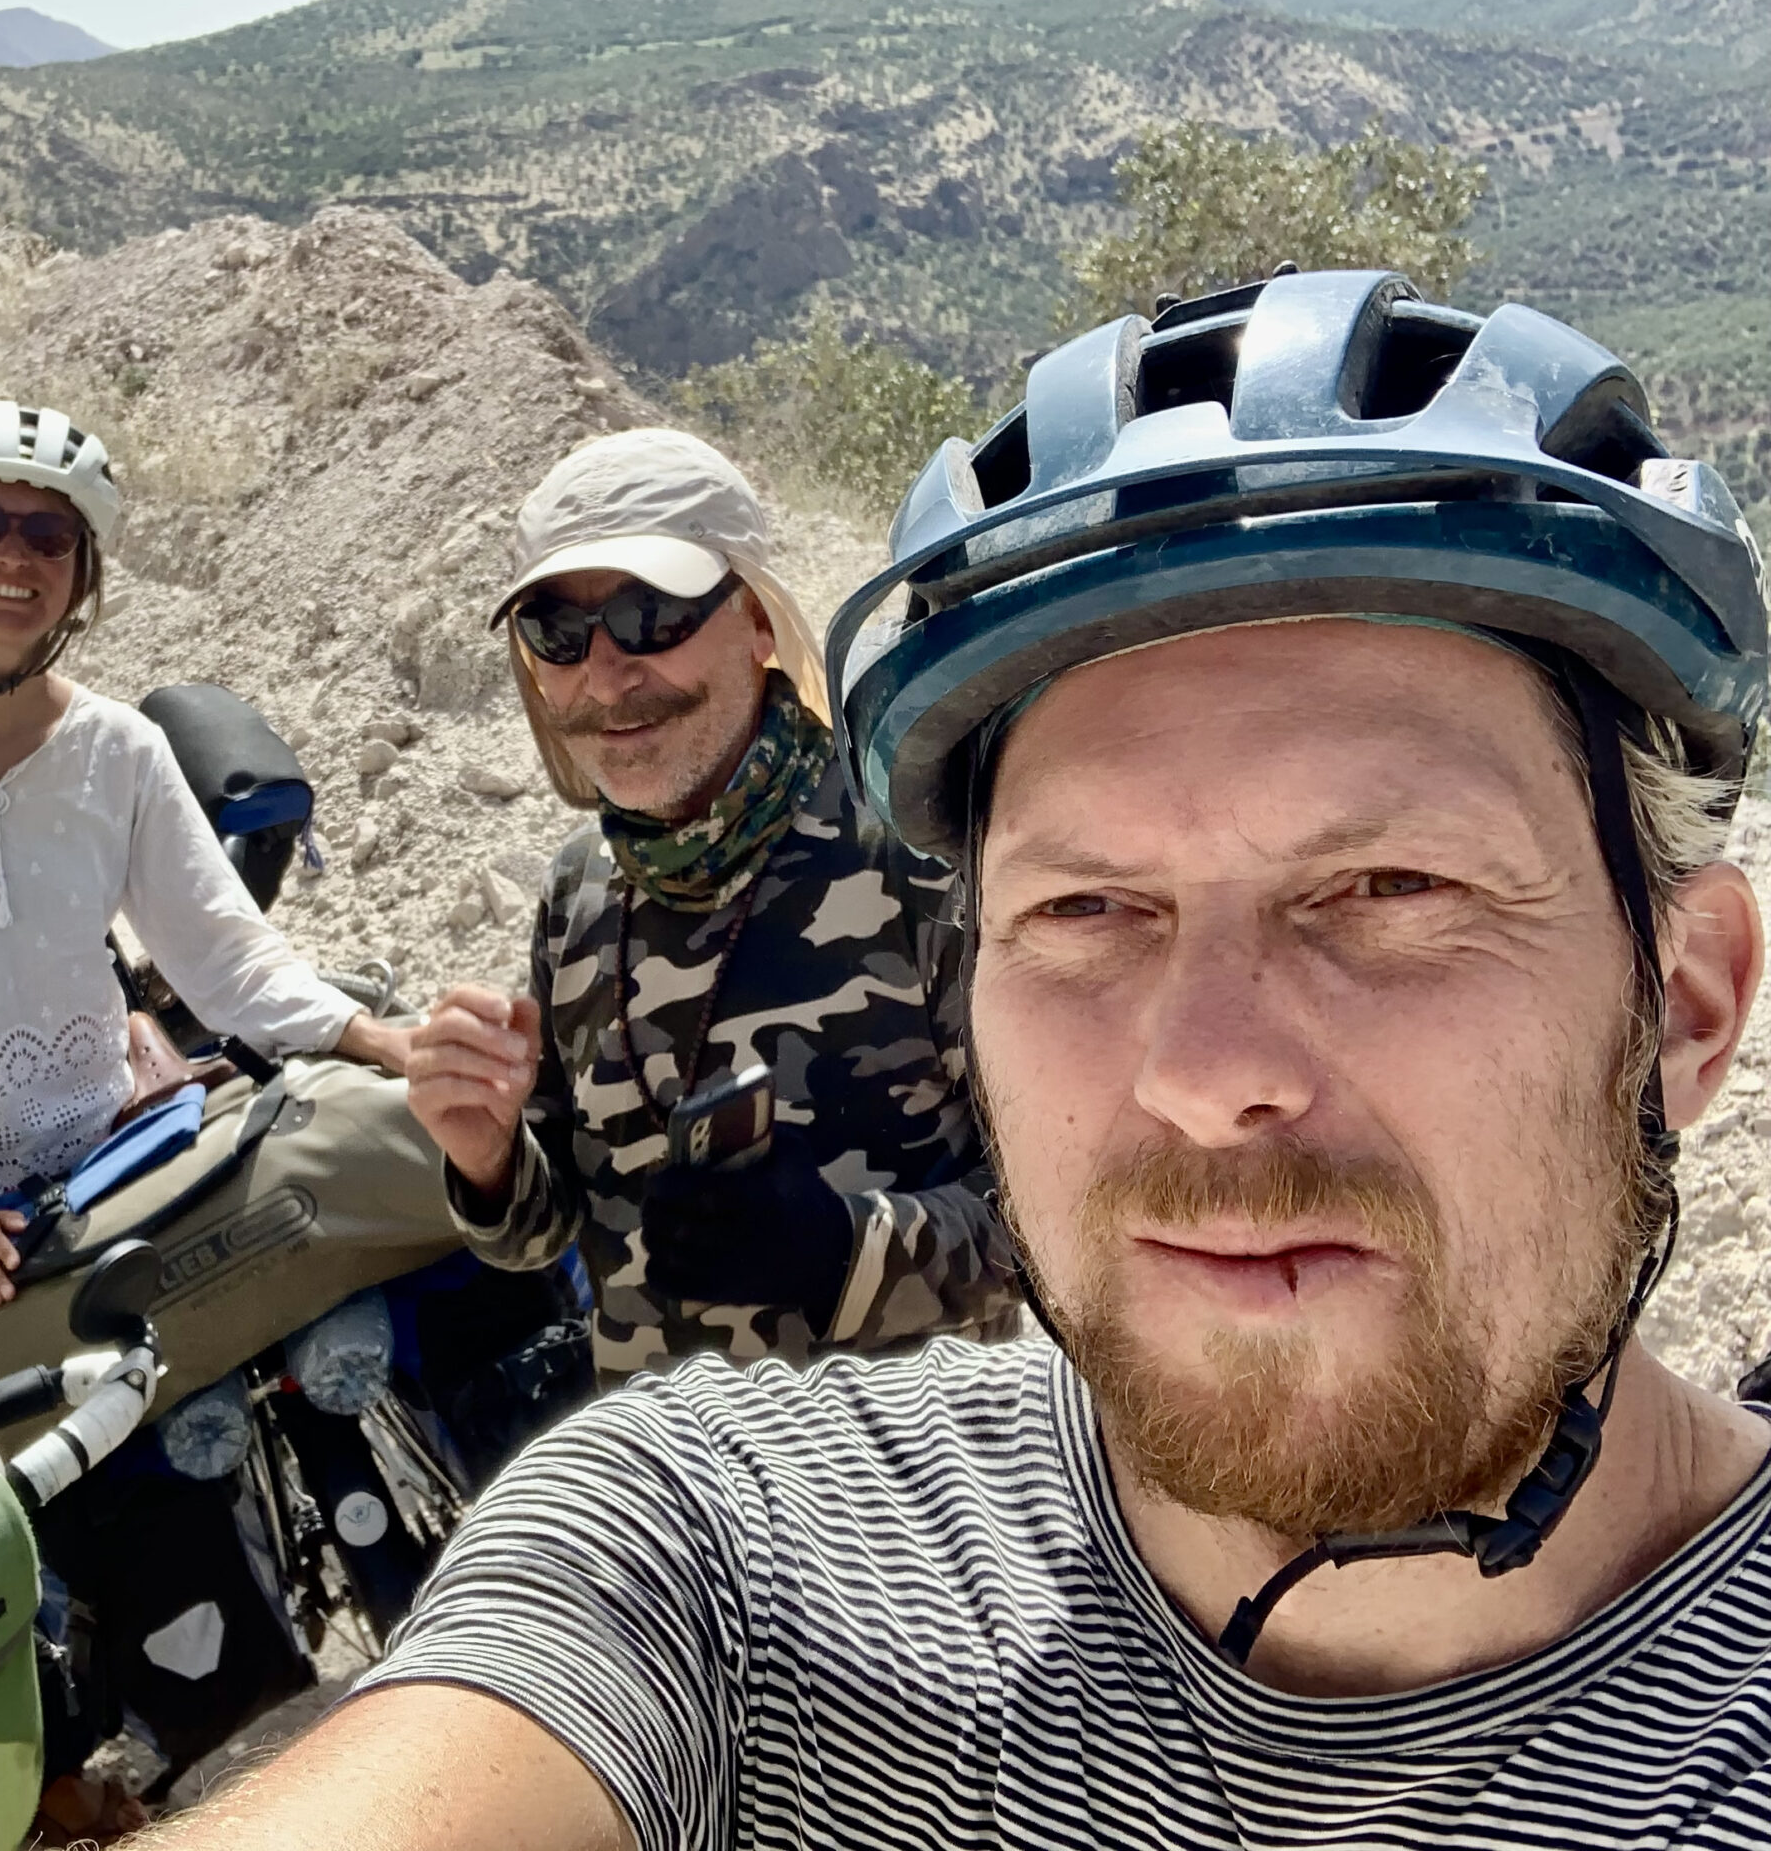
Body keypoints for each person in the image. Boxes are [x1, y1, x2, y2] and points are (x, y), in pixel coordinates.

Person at [114, 274, 1771, 1847]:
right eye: (1094, 906)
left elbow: (1042, 1248)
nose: (1209, 1066)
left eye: (1393, 886)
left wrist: (852, 1256)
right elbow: (583, 1254)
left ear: (1687, 1006)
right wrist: (491, 1165)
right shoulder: (584, 929)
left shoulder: (894, 863)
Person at [404, 427, 1016, 1378]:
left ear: (761, 622)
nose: (605, 678)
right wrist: (486, 1156)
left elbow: (1077, 1228)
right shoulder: (580, 892)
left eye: (654, 615)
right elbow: (548, 1233)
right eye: (557, 633)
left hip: (917, 1497)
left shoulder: (921, 854)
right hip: (682, 1501)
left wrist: (840, 1252)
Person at [0, 400, 409, 1316]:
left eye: (49, 536)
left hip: (92, 1182)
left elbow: (220, 948)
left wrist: (377, 1038)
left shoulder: (121, 750)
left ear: (83, 573)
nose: (13, 559)